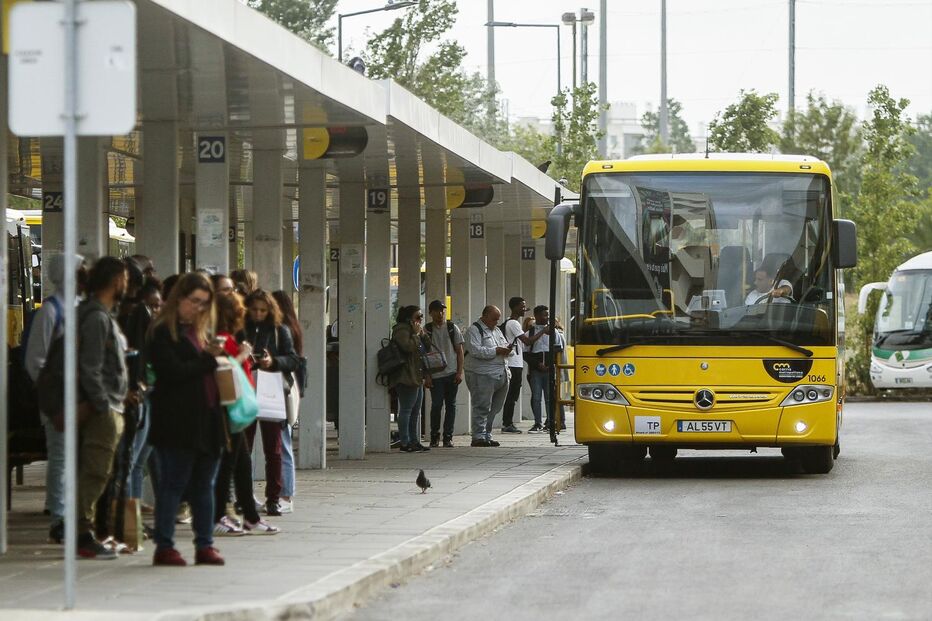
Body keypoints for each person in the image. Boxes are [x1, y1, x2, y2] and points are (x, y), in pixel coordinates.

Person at [147, 272, 226, 566]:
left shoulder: (201, 332)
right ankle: (164, 545)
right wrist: (208, 359)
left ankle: (205, 544)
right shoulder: (162, 332)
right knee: (173, 484)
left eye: (205, 303)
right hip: (177, 421)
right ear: (179, 299)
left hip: (208, 419)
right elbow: (173, 372)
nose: (198, 308)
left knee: (205, 484)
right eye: (194, 301)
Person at [23, 253, 85, 544]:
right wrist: (52, 394)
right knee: (60, 456)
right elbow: (35, 360)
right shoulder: (50, 312)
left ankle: (71, 510)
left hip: (80, 398)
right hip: (58, 398)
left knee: (76, 456)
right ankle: (59, 514)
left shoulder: (80, 307)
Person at [75, 256, 133, 559]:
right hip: (104, 407)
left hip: (111, 404)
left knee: (102, 470)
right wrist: (102, 405)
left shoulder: (101, 315)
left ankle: (88, 530)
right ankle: (81, 533)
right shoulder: (96, 318)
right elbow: (91, 367)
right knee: (96, 471)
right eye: (125, 279)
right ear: (116, 281)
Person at [212, 293, 279, 536]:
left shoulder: (229, 337)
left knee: (241, 464)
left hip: (235, 408)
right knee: (228, 464)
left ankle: (250, 516)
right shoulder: (221, 338)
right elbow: (223, 368)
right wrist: (242, 355)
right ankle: (218, 516)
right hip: (228, 409)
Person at [244, 289, 300, 516]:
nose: (258, 314)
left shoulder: (279, 330)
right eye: (254, 310)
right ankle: (245, 496)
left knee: (273, 449)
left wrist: (273, 361)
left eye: (262, 310)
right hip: (246, 390)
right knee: (244, 448)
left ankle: (273, 498)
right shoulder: (241, 329)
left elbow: (293, 360)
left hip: (271, 392)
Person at [463, 305, 513, 447]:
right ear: (484, 316)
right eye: (493, 319)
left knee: (495, 407)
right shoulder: (474, 330)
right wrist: (496, 350)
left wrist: (508, 349)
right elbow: (476, 351)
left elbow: (504, 345)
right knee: (481, 406)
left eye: (497, 319)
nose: (496, 322)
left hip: (501, 372)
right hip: (482, 374)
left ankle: (487, 434)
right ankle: (478, 436)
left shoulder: (496, 330)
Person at [272, 290, 303, 514]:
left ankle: (286, 494)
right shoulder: (293, 327)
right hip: (285, 389)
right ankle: (284, 494)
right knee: (283, 441)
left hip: (280, 390)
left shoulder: (283, 331)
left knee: (283, 442)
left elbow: (291, 361)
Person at [501, 297, 548, 434]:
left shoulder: (510, 322)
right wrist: (543, 331)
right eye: (522, 306)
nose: (525, 309)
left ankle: (507, 423)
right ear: (515, 307)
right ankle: (507, 423)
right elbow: (527, 341)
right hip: (513, 364)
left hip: (515, 363)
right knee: (512, 395)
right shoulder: (513, 323)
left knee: (513, 394)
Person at [424, 299, 464, 448]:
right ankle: (434, 436)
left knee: (451, 405)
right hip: (435, 375)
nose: (440, 313)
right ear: (431, 313)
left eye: (442, 310)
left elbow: (459, 352)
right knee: (436, 405)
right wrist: (427, 376)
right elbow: (423, 355)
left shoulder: (452, 328)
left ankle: (448, 437)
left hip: (451, 373)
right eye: (436, 311)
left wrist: (459, 372)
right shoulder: (427, 330)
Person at [391, 305, 430, 452]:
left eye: (421, 316)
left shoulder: (416, 330)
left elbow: (427, 347)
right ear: (409, 319)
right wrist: (415, 334)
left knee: (416, 411)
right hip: (406, 375)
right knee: (406, 409)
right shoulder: (401, 330)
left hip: (417, 375)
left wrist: (422, 334)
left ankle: (415, 440)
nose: (421, 319)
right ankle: (405, 442)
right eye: (418, 317)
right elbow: (407, 347)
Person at [525, 305, 565, 432]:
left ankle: (550, 421)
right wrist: (537, 364)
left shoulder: (554, 332)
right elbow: (525, 353)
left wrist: (550, 364)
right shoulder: (530, 332)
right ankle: (537, 422)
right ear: (536, 316)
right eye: (544, 315)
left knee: (549, 397)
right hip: (535, 370)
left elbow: (558, 349)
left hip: (549, 369)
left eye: (548, 315)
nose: (547, 317)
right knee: (536, 397)